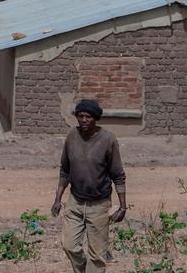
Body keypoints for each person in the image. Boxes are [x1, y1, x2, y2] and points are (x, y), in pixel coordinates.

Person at [52, 99, 127, 273]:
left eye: (88, 116)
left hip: (99, 205)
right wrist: (57, 199)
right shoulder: (71, 136)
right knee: (69, 246)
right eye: (80, 116)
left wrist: (123, 206)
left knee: (97, 255)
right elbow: (65, 170)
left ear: (96, 118)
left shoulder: (108, 140)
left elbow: (118, 175)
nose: (84, 120)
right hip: (75, 203)